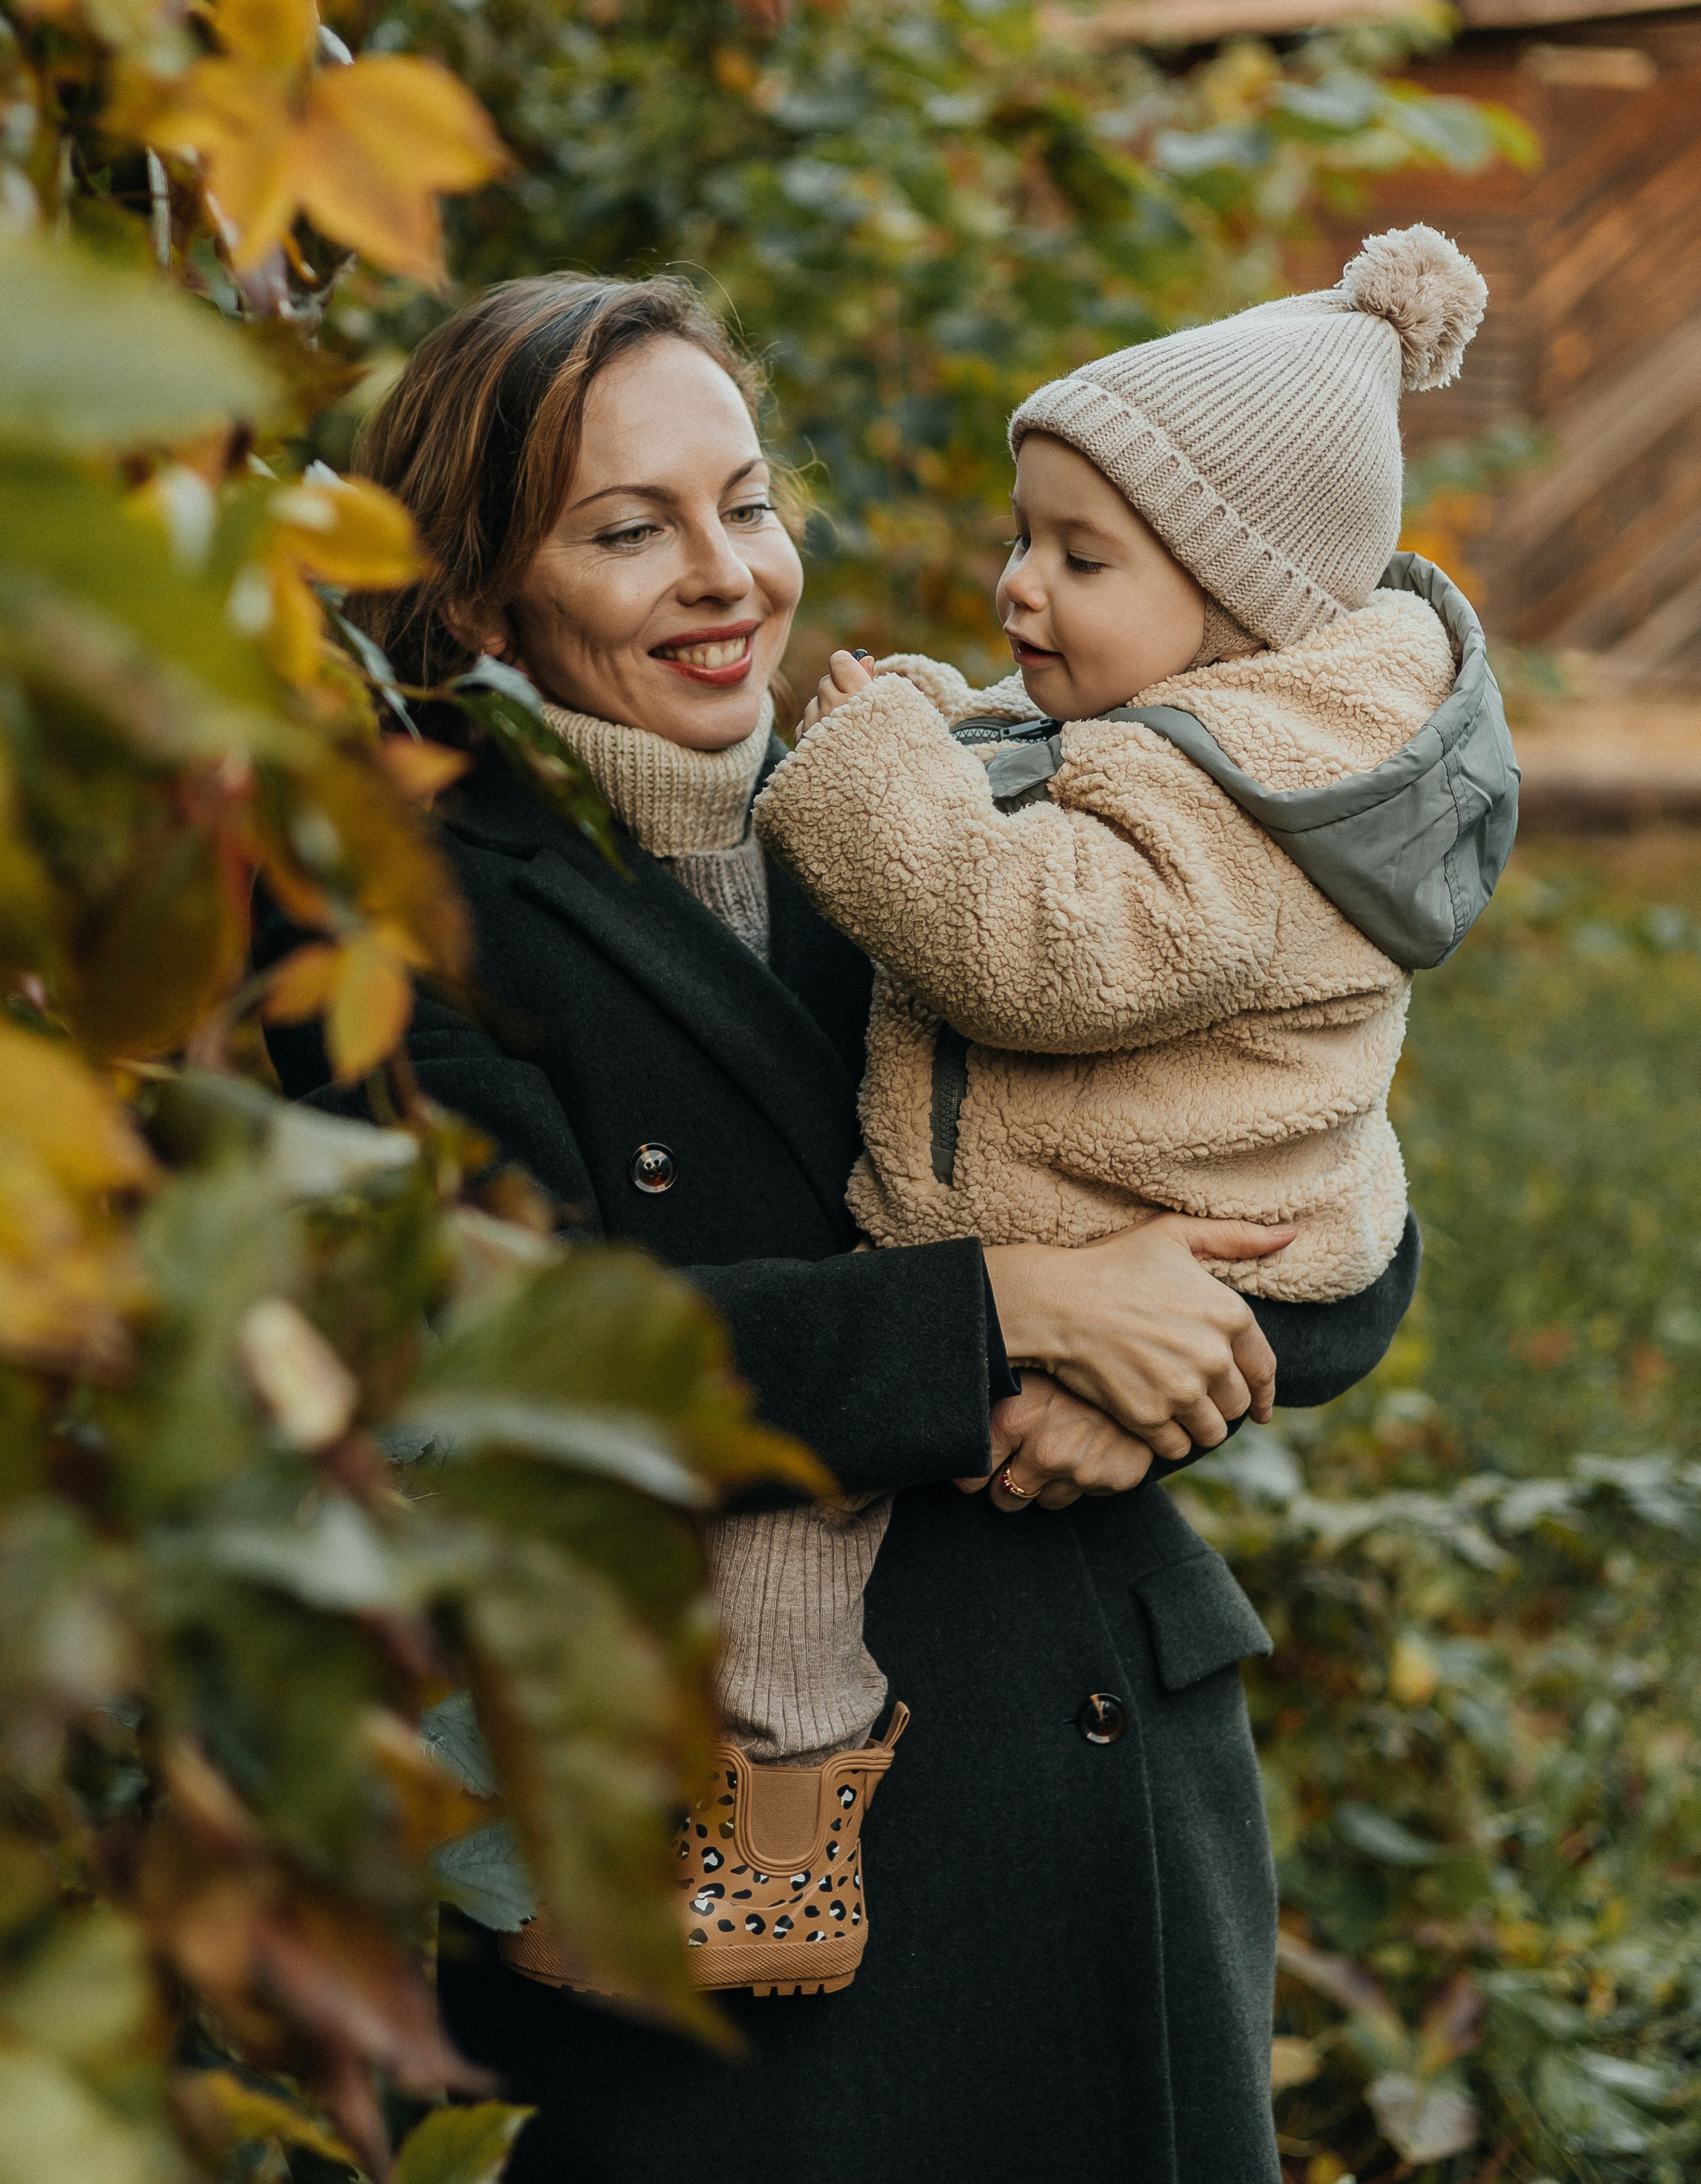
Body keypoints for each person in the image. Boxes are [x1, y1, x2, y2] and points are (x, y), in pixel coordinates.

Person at [260, 270, 1422, 2184]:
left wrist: (1150, 1368)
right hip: (726, 1882)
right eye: (631, 529)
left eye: (749, 502)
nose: (727, 573)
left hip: (1104, 1772)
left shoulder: (928, 807)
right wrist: (1008, 1314)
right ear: (475, 593)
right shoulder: (383, 919)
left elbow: (1328, 1200)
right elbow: (494, 1355)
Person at [688, 229, 1519, 1931]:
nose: (1017, 589)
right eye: (1021, 539)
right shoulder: (1210, 730)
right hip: (1121, 1288)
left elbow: (1033, 945)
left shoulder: (1222, 791)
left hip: (1174, 1312)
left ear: (1232, 615)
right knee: (789, 1528)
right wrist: (914, 723)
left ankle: (769, 1854)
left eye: (1078, 557)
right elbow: (994, 759)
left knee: (786, 1545)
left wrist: (859, 770)